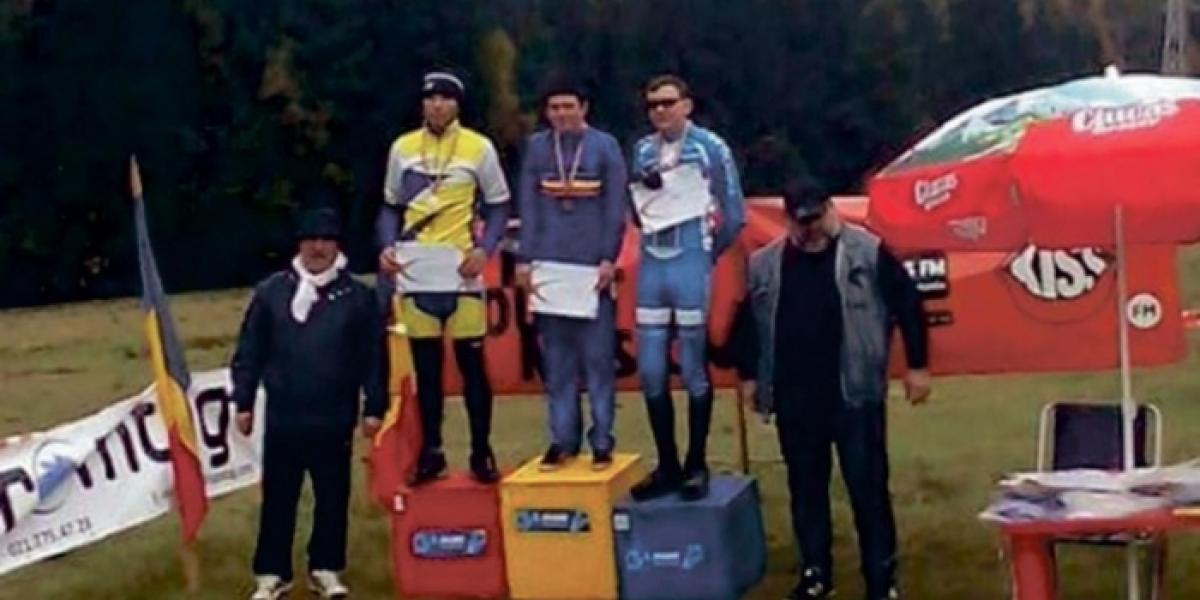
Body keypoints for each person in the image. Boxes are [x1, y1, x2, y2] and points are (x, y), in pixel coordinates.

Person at [740, 180, 931, 600]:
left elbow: (908, 304)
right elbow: (749, 324)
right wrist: (750, 377)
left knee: (868, 487)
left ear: (830, 209)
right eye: (802, 222)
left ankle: (881, 578)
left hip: (854, 392)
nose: (811, 229)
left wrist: (917, 365)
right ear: (788, 220)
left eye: (817, 218)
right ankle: (815, 573)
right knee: (806, 489)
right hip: (794, 396)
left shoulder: (868, 250)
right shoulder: (764, 265)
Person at [231, 205, 386, 600]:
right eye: (311, 240)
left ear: (337, 245)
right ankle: (272, 573)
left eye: (326, 240)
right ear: (299, 244)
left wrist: (374, 407)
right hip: (284, 415)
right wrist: (243, 400)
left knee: (332, 496)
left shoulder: (358, 297)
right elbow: (250, 350)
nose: (318, 248)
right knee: (278, 497)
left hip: (334, 414)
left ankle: (326, 568)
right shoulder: (271, 293)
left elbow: (374, 356)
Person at [376, 70, 511, 485]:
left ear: (457, 104)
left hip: (461, 272)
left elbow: (499, 206)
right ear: (422, 104)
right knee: (427, 368)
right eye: (430, 98)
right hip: (417, 273)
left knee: (472, 365)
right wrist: (386, 246)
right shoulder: (402, 148)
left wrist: (484, 250)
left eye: (445, 98)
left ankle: (481, 450)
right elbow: (390, 207)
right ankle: (431, 451)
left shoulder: (478, 147)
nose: (437, 105)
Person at [628, 74, 745, 501]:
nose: (660, 111)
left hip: (691, 262)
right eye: (653, 105)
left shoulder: (711, 147)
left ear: (686, 105)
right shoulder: (642, 149)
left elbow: (734, 212)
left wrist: (708, 252)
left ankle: (697, 463)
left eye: (667, 103)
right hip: (652, 265)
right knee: (650, 370)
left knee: (693, 366)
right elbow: (636, 207)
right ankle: (668, 464)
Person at [514, 77, 627, 471]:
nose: (561, 114)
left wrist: (609, 258)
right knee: (557, 362)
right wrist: (525, 259)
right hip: (550, 267)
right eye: (554, 108)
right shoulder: (536, 147)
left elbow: (615, 208)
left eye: (568, 106)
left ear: (584, 108)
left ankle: (602, 440)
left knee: (597, 360)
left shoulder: (605, 146)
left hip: (591, 268)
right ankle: (562, 439)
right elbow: (528, 206)